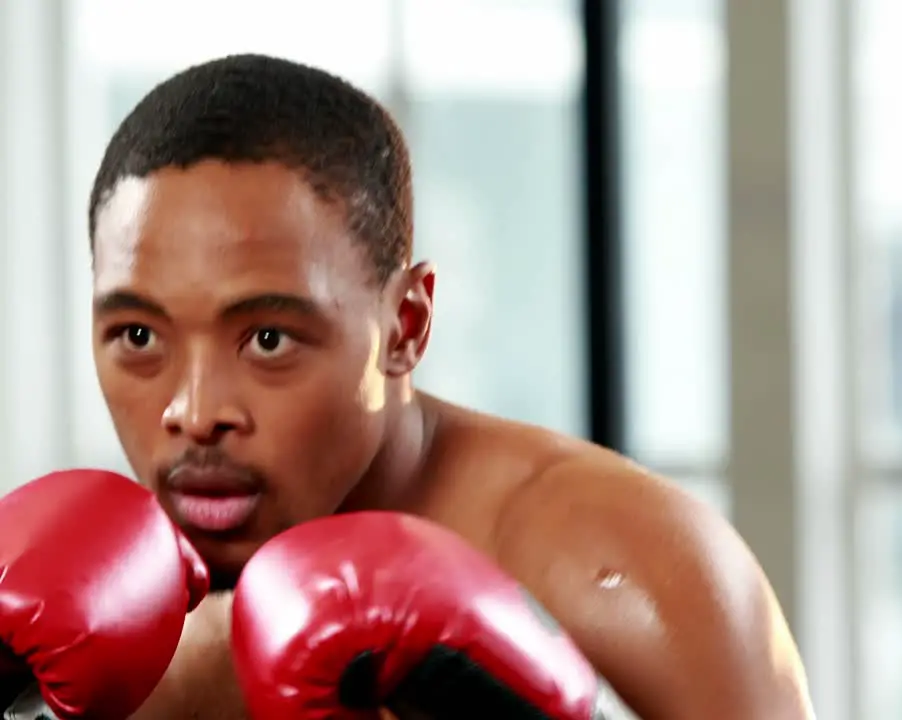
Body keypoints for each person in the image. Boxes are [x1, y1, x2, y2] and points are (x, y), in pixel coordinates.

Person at [80, 53, 811, 719]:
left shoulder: (620, 573)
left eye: (268, 339)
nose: (195, 413)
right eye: (139, 338)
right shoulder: (85, 613)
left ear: (405, 325)